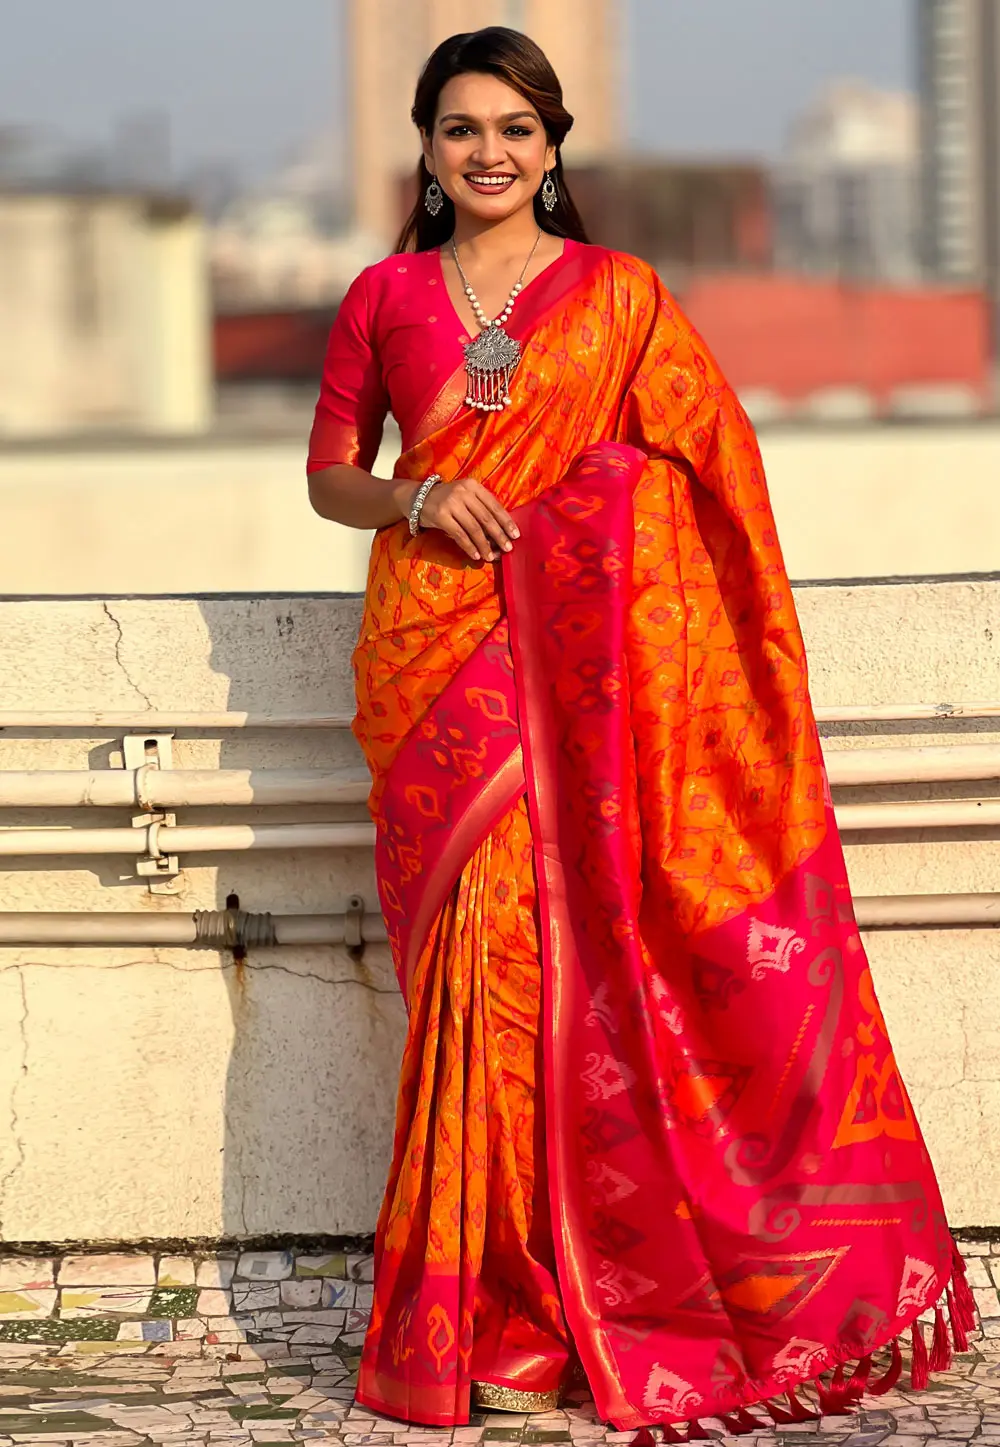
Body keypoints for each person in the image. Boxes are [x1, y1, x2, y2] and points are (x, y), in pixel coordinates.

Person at [307, 25, 969, 1438]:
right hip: (433, 670)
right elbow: (330, 478)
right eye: (463, 128)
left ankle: (565, 1311)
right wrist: (419, 501)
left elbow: (712, 472)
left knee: (569, 980)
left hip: (592, 678)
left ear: (553, 151)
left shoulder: (622, 298)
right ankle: (481, 1305)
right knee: (467, 995)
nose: (490, 152)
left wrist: (585, 509)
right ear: (424, 149)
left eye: (518, 130)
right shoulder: (382, 297)